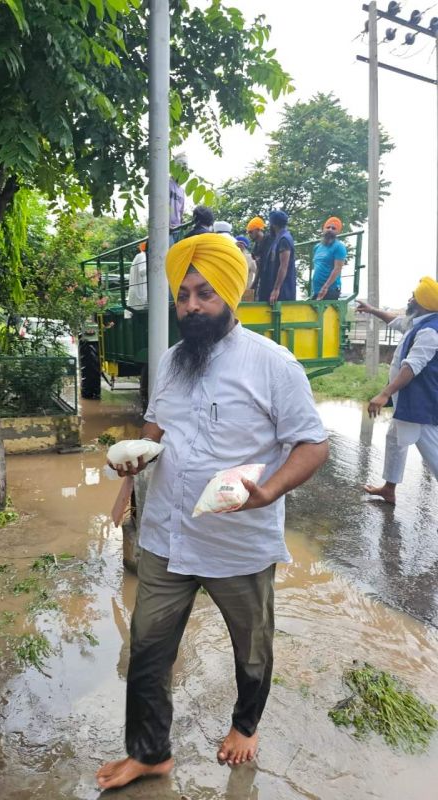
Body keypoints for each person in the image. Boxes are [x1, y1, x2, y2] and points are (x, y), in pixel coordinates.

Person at [96, 233, 329, 790]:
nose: (192, 306)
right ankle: (150, 753)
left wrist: (268, 492)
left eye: (204, 293)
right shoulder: (172, 362)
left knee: (252, 649)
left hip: (238, 541)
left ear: (230, 295)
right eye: (183, 296)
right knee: (147, 648)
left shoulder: (273, 365)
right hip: (167, 536)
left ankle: (245, 726)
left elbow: (312, 444)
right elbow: (157, 427)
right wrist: (130, 468)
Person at [357, 276, 438, 505]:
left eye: (414, 296)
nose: (410, 299)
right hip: (408, 401)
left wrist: (384, 393)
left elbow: (412, 366)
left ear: (424, 302)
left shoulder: (430, 331)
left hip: (419, 405)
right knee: (395, 439)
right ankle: (389, 488)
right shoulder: (419, 322)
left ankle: (389, 488)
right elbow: (395, 321)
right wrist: (372, 310)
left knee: (433, 452)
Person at [258, 210, 296, 304]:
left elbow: (284, 265)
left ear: (273, 225)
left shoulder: (284, 239)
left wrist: (276, 289)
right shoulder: (277, 238)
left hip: (283, 291)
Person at [311, 217, 347, 300]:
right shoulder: (317, 247)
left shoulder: (339, 247)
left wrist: (325, 287)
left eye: (333, 228)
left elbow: (337, 269)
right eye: (328, 227)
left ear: (338, 232)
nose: (330, 229)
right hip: (316, 290)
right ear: (323, 229)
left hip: (330, 290)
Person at [246, 216, 272, 299]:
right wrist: (253, 285)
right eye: (248, 233)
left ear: (258, 230)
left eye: (251, 232)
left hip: (272, 278)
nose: (249, 235)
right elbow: (259, 268)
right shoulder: (256, 247)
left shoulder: (270, 241)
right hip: (263, 282)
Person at [169, 153, 187, 245]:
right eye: (182, 169)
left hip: (177, 229)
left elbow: (180, 211)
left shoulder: (182, 191)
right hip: (165, 229)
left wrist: (182, 222)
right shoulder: (166, 183)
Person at [127, 241, 148, 309]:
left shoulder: (140, 256)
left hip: (137, 294)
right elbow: (142, 271)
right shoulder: (143, 256)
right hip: (140, 295)